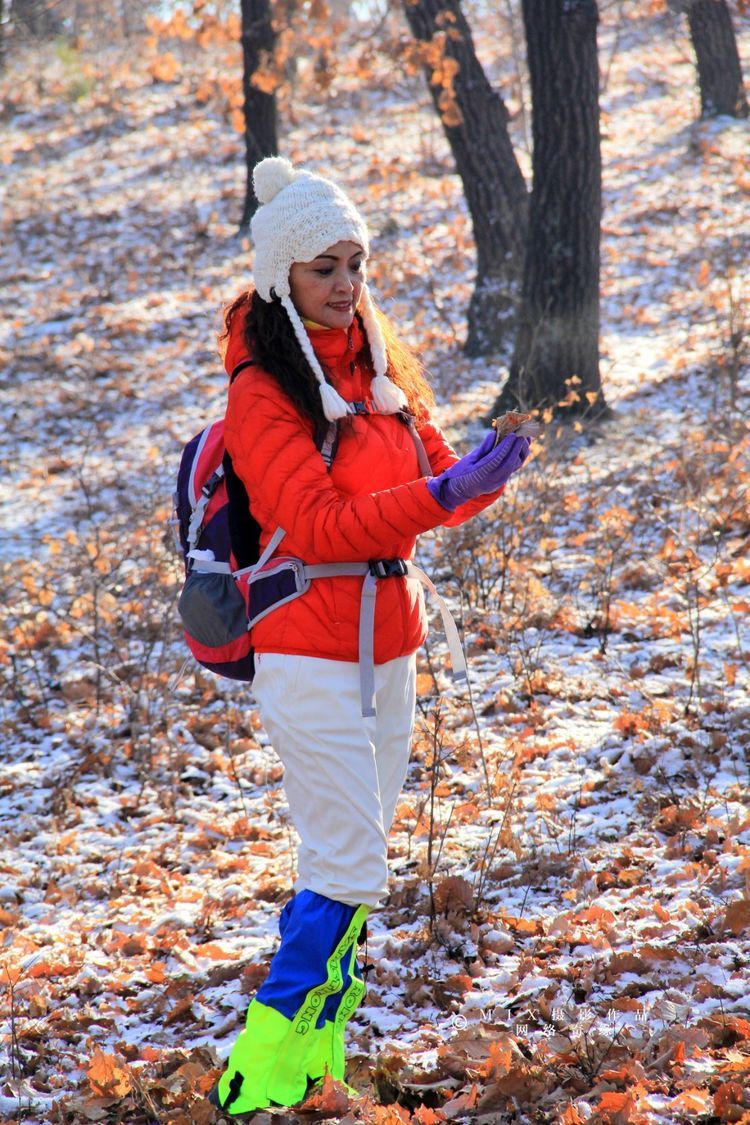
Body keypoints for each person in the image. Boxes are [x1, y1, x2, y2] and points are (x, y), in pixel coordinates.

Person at [209, 156, 530, 1117]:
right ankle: (256, 1070)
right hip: (306, 651)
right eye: (323, 267)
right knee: (352, 865)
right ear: (280, 278)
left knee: (343, 864)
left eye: (355, 262)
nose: (346, 284)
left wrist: (474, 475)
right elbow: (317, 526)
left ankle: (315, 1063)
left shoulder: (381, 369)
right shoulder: (263, 393)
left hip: (391, 647)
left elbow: (432, 484)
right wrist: (436, 494)